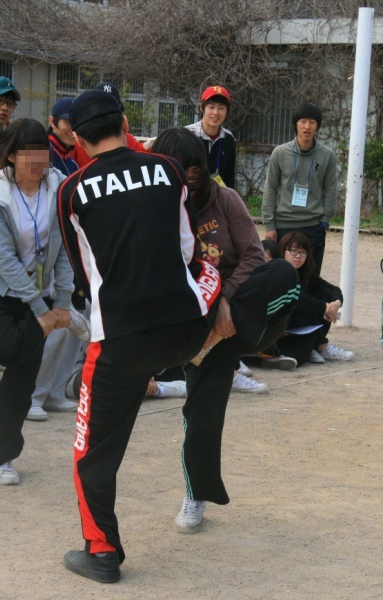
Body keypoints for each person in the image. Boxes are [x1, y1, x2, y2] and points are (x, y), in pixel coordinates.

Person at [58, 91, 221, 584]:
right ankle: (242, 332)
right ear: (125, 123)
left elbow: (85, 273)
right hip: (186, 328)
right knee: (211, 274)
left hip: (121, 339)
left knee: (91, 452)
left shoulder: (71, 190)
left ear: (78, 138)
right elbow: (189, 250)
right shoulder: (168, 168)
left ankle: (102, 552)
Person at [152, 127, 300, 534]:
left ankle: (227, 339)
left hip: (238, 310)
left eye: (195, 171)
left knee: (284, 273)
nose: (189, 180)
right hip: (195, 319)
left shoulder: (226, 199)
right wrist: (209, 306)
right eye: (180, 172)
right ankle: (196, 494)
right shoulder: (157, 211)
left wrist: (226, 302)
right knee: (202, 413)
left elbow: (253, 256)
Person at [0, 118, 77, 484]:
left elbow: (64, 249)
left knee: (22, 381)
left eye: (43, 153)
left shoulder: (58, 187)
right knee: (9, 350)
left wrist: (62, 303)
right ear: (11, 156)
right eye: (29, 154)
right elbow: (4, 259)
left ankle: (3, 456)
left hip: (41, 291)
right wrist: (42, 312)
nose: (38, 162)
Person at [27, 97, 88, 421]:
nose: (71, 128)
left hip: (69, 252)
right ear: (52, 121)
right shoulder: (45, 154)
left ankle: (54, 391)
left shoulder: (71, 161)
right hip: (41, 256)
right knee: (53, 324)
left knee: (72, 321)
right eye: (66, 121)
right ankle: (33, 395)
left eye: (76, 122)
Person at [262, 101, 337, 275]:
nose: (307, 127)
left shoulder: (327, 155)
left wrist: (325, 220)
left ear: (317, 126)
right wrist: (269, 225)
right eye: (303, 121)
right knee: (282, 276)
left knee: (310, 277)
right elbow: (270, 188)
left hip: (313, 225)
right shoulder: (280, 153)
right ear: (295, 124)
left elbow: (331, 188)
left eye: (312, 122)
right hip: (283, 225)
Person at [275, 231, 355, 366]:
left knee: (325, 293)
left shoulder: (304, 273)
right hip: (279, 323)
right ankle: (320, 345)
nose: (298, 256)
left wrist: (336, 303)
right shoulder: (279, 272)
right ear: (283, 251)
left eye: (303, 252)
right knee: (310, 305)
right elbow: (297, 299)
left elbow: (332, 289)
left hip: (298, 323)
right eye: (293, 251)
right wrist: (325, 307)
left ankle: (315, 345)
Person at [69, 82, 151, 168]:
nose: (105, 110)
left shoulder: (130, 140)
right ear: (125, 123)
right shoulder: (76, 144)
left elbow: (143, 151)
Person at [186, 85, 236, 188]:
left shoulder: (228, 139)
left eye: (221, 108)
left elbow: (229, 177)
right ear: (202, 107)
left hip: (217, 195)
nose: (216, 112)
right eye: (211, 107)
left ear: (227, 111)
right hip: (190, 194)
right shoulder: (187, 135)